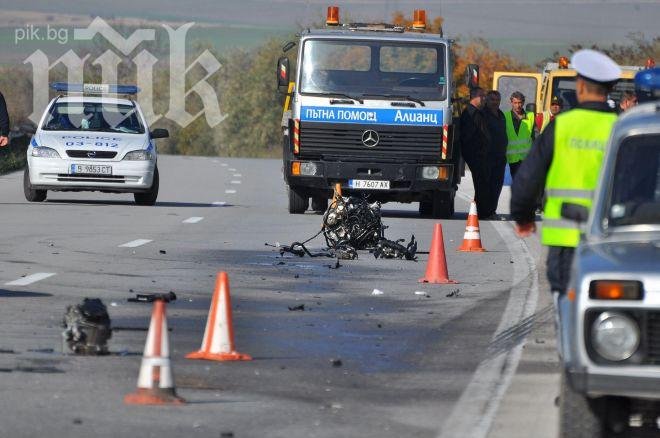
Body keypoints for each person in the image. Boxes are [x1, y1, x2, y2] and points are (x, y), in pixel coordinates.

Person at [510, 49, 621, 297]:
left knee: (566, 304)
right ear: (609, 90)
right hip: (610, 242)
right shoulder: (619, 128)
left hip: (564, 239)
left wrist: (523, 217)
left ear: (580, 86)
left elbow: (528, 177)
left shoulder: (561, 126)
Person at [459, 86, 492, 219]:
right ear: (474, 97)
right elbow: (468, 136)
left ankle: (482, 211)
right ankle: (481, 212)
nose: (484, 98)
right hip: (475, 154)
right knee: (481, 182)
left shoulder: (478, 112)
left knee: (482, 182)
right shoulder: (470, 113)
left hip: (480, 153)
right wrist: (477, 151)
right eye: (482, 96)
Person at [484, 90, 507, 218]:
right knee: (487, 186)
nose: (495, 103)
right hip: (487, 157)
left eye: (497, 100)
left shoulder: (501, 114)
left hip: (500, 157)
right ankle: (484, 212)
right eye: (492, 100)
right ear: (487, 100)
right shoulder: (483, 115)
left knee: (497, 185)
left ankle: (492, 211)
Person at [504, 91, 535, 178]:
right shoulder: (505, 116)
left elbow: (534, 137)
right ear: (511, 103)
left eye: (520, 103)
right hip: (512, 159)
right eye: (515, 103)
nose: (518, 105)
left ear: (523, 103)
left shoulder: (531, 116)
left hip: (526, 159)